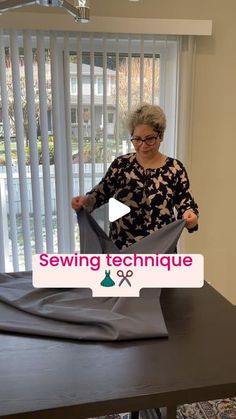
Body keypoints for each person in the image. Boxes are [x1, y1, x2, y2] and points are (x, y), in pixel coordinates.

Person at [71, 103, 199, 250]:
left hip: (160, 253)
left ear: (161, 136)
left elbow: (186, 205)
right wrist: (85, 201)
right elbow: (99, 194)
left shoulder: (175, 169)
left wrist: (190, 217)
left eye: (150, 139)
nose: (143, 145)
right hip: (122, 253)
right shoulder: (121, 165)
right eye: (137, 139)